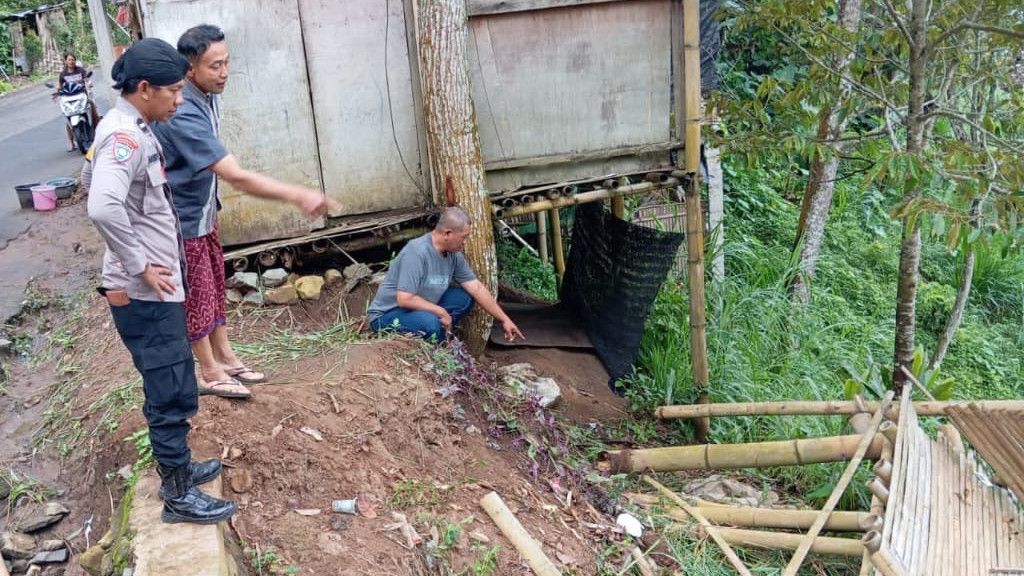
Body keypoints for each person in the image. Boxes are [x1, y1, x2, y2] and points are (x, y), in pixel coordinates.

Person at [87, 38, 235, 525]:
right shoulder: (122, 138)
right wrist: (140, 265)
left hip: (158, 289)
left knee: (174, 384)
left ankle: (181, 470)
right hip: (145, 294)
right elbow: (104, 206)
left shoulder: (140, 126)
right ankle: (177, 497)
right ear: (144, 88)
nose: (179, 98)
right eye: (172, 90)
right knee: (169, 388)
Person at [153, 24, 334, 399]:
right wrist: (297, 195)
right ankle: (208, 370)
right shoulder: (183, 110)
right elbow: (236, 176)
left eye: (226, 63)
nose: (224, 72)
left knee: (215, 285)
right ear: (190, 70)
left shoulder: (206, 95)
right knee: (197, 292)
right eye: (214, 66)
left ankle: (227, 357)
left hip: (203, 211)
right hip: (181, 220)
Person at [367, 207, 525, 343]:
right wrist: (441, 312)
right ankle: (440, 342)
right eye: (463, 237)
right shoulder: (416, 252)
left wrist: (505, 319)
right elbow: (404, 298)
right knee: (431, 323)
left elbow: (476, 288)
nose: (465, 242)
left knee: (463, 298)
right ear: (447, 233)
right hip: (387, 315)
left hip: (420, 308)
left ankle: (441, 333)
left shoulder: (454, 255)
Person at [56, 52, 101, 151]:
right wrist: (57, 91)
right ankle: (72, 144)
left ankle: (100, 134)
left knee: (93, 109)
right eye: (69, 60)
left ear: (75, 61)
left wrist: (89, 84)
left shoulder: (80, 70)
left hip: (82, 96)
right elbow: (59, 86)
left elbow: (87, 80)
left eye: (73, 60)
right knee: (68, 120)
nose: (71, 61)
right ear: (65, 61)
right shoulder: (63, 74)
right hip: (69, 99)